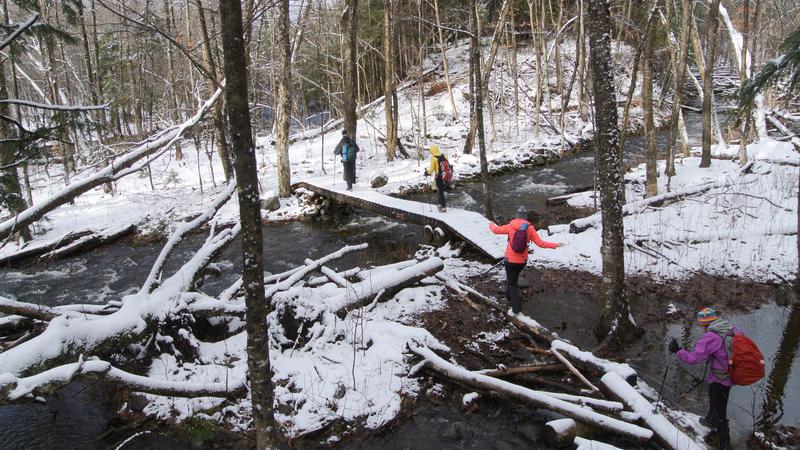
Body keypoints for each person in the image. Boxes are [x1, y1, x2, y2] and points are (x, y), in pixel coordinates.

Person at [669, 308, 737, 450]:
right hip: (730, 374)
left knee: (720, 411)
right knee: (713, 396)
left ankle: (725, 445)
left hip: (720, 377)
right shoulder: (729, 328)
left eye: (701, 324)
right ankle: (710, 421)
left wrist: (678, 351)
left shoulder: (710, 336)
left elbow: (694, 358)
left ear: (704, 323)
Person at [488, 206, 563, 314]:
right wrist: (555, 245)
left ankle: (516, 309)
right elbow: (541, 243)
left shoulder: (510, 226)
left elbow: (495, 230)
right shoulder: (530, 228)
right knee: (513, 279)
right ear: (525, 217)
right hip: (522, 261)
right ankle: (509, 297)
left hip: (509, 260)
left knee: (512, 283)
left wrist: (490, 224)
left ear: (516, 216)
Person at [423, 145, 449, 212]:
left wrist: (427, 173)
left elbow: (431, 169)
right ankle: (440, 204)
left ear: (433, 150)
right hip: (446, 175)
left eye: (431, 150)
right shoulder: (444, 156)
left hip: (439, 176)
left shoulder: (434, 158)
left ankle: (443, 207)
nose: (431, 152)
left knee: (440, 191)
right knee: (441, 190)